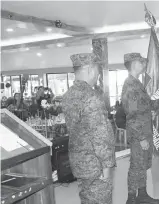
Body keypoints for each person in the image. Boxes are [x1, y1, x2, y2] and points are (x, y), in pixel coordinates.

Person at [62, 53, 116, 204]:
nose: (98, 74)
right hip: (95, 165)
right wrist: (107, 165)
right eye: (98, 70)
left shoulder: (68, 95)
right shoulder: (90, 97)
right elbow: (100, 135)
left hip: (79, 162)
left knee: (87, 199)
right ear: (91, 69)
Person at [121, 53, 159, 204]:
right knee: (136, 166)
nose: (144, 64)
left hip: (145, 131)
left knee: (143, 164)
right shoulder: (130, 86)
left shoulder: (137, 84)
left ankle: (142, 194)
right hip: (140, 134)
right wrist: (141, 137)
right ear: (133, 64)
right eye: (141, 62)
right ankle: (131, 199)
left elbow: (149, 106)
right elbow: (131, 115)